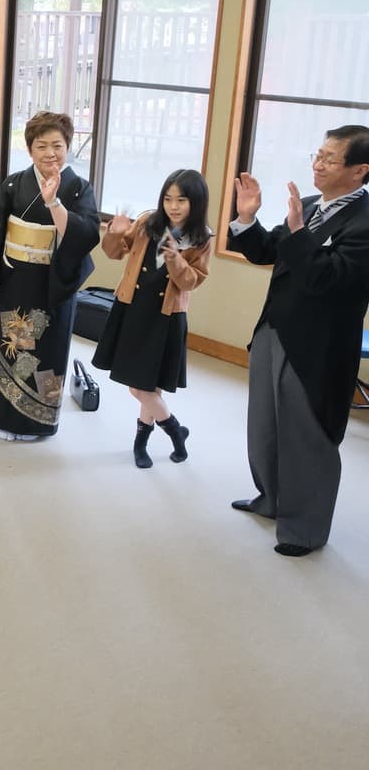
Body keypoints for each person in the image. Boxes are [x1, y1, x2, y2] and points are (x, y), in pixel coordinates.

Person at [226, 125, 369, 557]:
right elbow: (268, 250)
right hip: (274, 329)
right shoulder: (307, 205)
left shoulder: (365, 222)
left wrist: (299, 231)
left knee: (306, 433)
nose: (317, 165)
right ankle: (270, 498)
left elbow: (328, 277)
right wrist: (248, 217)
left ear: (360, 170)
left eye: (329, 159)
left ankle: (304, 528)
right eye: (317, 154)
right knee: (265, 423)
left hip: (319, 346)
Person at [0, 111, 100, 441]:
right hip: (16, 279)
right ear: (30, 149)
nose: (50, 153)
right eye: (42, 145)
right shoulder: (13, 182)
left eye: (57, 145)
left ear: (68, 147)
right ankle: (5, 417)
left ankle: (36, 421)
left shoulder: (78, 188)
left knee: (46, 353)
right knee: (13, 349)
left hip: (53, 283)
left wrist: (54, 202)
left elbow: (83, 235)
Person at [91, 169, 211, 467]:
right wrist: (115, 231)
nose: (173, 206)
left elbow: (192, 281)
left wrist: (175, 260)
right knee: (141, 385)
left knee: (145, 388)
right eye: (168, 198)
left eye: (181, 200)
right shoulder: (147, 222)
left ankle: (149, 440)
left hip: (166, 316)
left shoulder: (201, 238)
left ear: (195, 202)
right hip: (133, 307)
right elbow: (115, 253)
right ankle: (173, 432)